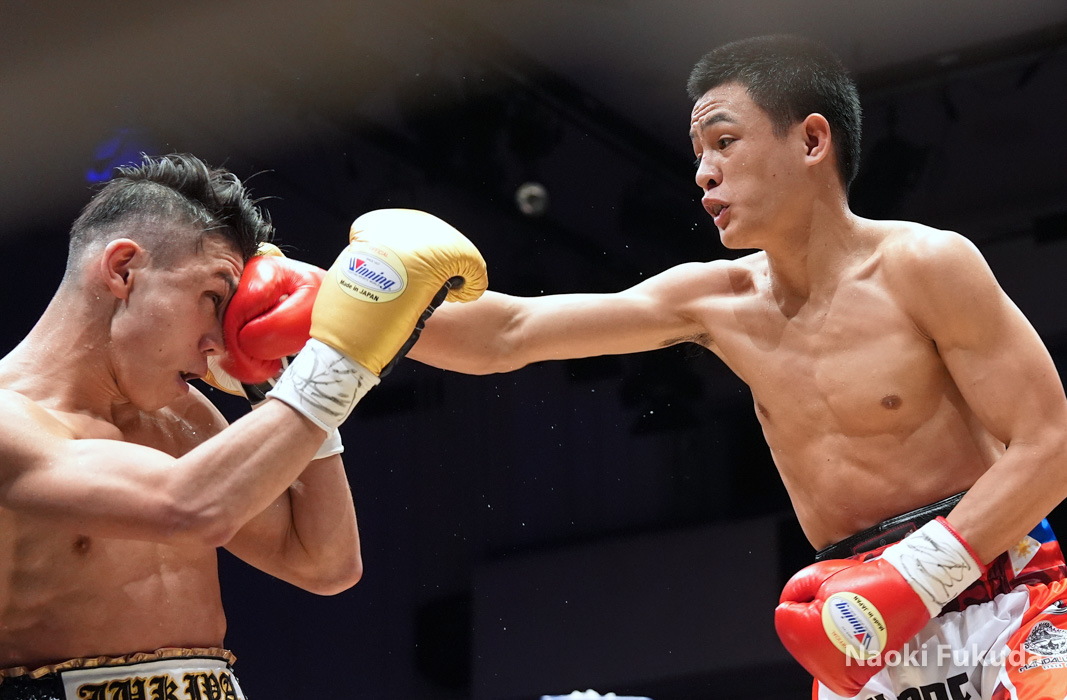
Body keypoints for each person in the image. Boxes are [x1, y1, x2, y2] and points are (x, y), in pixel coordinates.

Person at [406, 35, 1067, 699]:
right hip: (853, 622)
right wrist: (354, 306)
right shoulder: (715, 301)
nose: (703, 173)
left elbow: (1052, 445)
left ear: (811, 141)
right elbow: (508, 332)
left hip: (1004, 590)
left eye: (724, 142)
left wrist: (917, 576)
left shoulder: (923, 266)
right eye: (698, 153)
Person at [0, 154, 487, 699]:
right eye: (212, 298)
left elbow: (325, 563)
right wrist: (340, 362)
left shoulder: (180, 416)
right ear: (123, 270)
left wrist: (276, 378)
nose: (218, 342)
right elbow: (188, 507)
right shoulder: (8, 421)